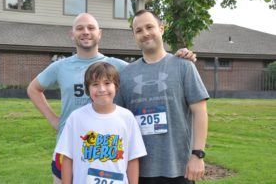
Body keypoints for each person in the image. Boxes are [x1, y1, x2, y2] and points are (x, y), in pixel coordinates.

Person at [27, 12, 196, 183]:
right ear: (72, 34)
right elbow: (34, 89)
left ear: (99, 33)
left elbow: (148, 68)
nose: (85, 32)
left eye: (91, 28)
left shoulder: (119, 67)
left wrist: (179, 57)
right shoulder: (60, 66)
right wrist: (54, 119)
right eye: (80, 28)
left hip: (108, 151)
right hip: (70, 148)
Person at [116, 9, 209, 184]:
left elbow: (200, 111)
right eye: (138, 30)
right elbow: (116, 119)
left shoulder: (184, 66)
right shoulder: (126, 74)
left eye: (149, 27)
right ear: (134, 36)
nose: (145, 33)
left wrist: (198, 154)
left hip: (178, 168)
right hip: (137, 169)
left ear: (162, 29)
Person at [55, 62, 147, 184]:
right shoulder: (76, 118)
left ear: (116, 86)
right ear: (88, 88)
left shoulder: (127, 117)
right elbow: (67, 158)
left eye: (107, 83)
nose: (102, 89)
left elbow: (133, 158)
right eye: (95, 84)